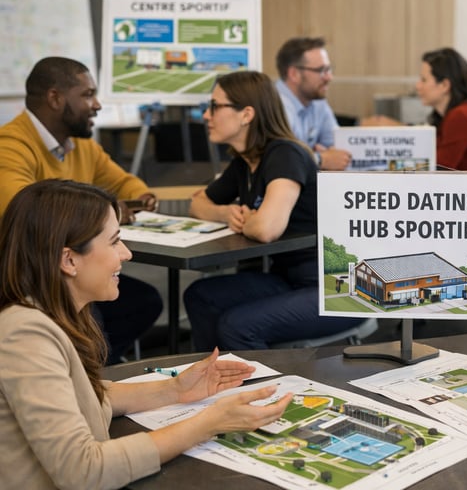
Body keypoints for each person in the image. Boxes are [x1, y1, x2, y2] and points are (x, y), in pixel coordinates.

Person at [0, 179, 293, 490]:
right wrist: (209, 423)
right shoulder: (26, 335)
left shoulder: (47, 317)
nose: (126, 254)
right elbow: (84, 471)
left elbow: (83, 396)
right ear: (69, 260)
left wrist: (176, 389)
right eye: (114, 242)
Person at [182, 70, 366, 350]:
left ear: (246, 115)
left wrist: (250, 220)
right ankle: (215, 375)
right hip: (290, 279)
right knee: (200, 295)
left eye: (215, 106)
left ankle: (259, 380)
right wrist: (227, 214)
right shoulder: (245, 162)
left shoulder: (285, 154)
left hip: (337, 288)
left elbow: (267, 229)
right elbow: (197, 204)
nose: (207, 115)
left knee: (237, 326)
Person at [0, 56, 162, 364]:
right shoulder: (9, 145)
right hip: (29, 277)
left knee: (144, 302)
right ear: (55, 98)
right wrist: (108, 211)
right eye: (88, 95)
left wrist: (141, 197)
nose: (97, 105)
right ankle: (84, 373)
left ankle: (94, 372)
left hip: (68, 271)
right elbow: (29, 214)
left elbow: (124, 183)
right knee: (93, 320)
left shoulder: (80, 145)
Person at [275, 36, 352, 170]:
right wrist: (320, 159)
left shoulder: (317, 100)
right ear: (294, 74)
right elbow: (282, 159)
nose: (329, 77)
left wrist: (329, 155)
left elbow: (337, 149)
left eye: (329, 69)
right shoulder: (275, 104)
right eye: (321, 70)